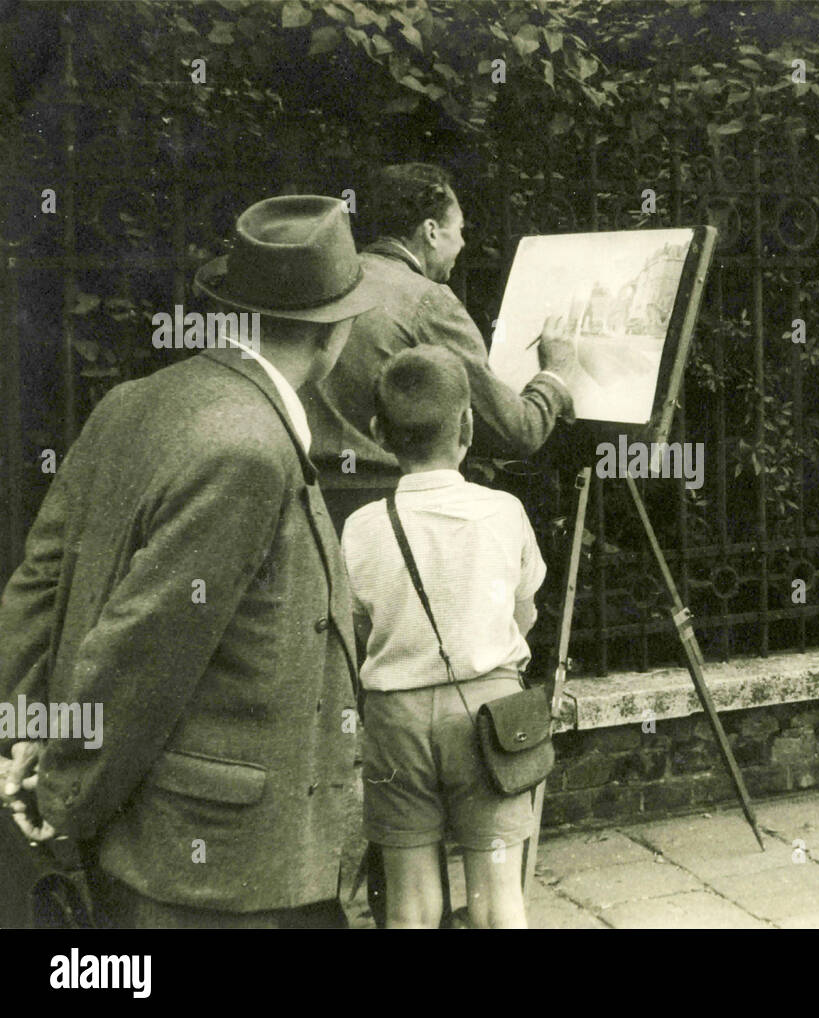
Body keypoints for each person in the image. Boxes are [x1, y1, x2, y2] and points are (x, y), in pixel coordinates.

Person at [0, 195, 385, 928]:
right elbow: (142, 648)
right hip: (226, 876)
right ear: (335, 330)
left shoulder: (131, 402)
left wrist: (19, 736)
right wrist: (62, 794)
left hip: (157, 849)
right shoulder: (249, 449)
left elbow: (40, 582)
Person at [342, 346, 546, 929]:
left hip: (394, 718)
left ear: (379, 432)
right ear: (469, 424)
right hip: (492, 717)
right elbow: (525, 614)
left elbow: (357, 629)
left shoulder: (361, 527)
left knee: (409, 904)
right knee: (498, 898)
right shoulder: (504, 512)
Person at [301, 162, 580, 527]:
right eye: (459, 230)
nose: (463, 243)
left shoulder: (328, 281)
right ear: (431, 231)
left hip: (310, 505)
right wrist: (555, 375)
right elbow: (517, 431)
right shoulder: (428, 301)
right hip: (389, 513)